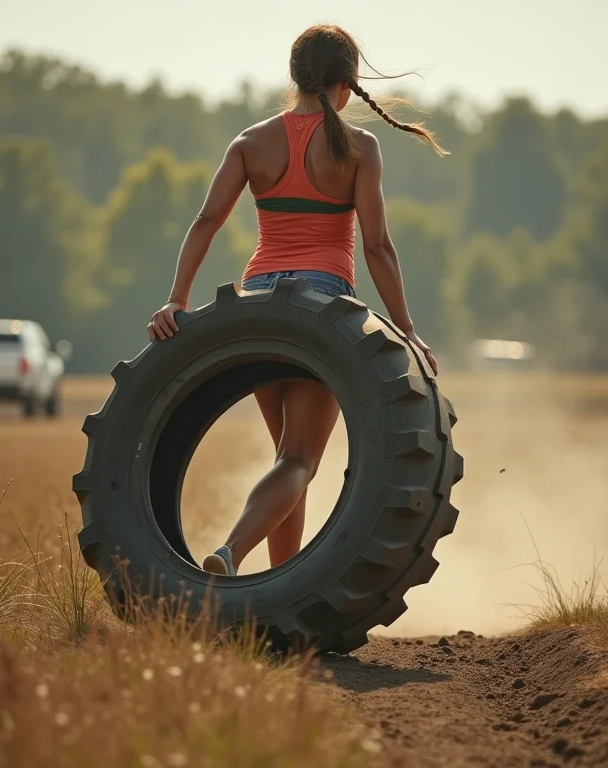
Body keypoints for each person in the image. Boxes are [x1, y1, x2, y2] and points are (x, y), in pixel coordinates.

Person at [147, 24, 446, 577]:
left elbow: (206, 220)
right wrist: (407, 328)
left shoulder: (251, 141)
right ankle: (230, 554)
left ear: (294, 75)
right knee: (299, 460)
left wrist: (175, 299)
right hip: (321, 303)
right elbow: (377, 246)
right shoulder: (359, 147)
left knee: (289, 458)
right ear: (348, 82)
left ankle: (277, 595)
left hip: (259, 301)